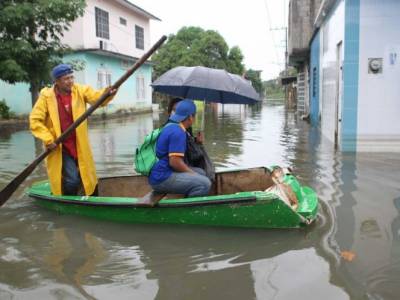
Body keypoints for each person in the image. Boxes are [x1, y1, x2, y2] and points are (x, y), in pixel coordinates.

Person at [29, 64, 117, 196]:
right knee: (72, 180)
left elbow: (96, 98)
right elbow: (35, 120)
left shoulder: (80, 90)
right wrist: (48, 139)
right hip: (60, 146)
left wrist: (107, 93)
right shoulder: (46, 96)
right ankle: (69, 201)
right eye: (66, 79)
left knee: (87, 175)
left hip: (79, 143)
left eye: (71, 77)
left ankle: (87, 195)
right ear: (57, 81)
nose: (70, 81)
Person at [149, 99, 211, 197]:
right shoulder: (178, 132)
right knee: (204, 184)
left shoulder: (172, 126)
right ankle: (188, 209)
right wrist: (192, 174)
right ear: (190, 117)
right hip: (162, 178)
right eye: (194, 116)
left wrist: (197, 142)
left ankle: (187, 197)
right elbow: (174, 162)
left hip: (162, 172)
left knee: (201, 173)